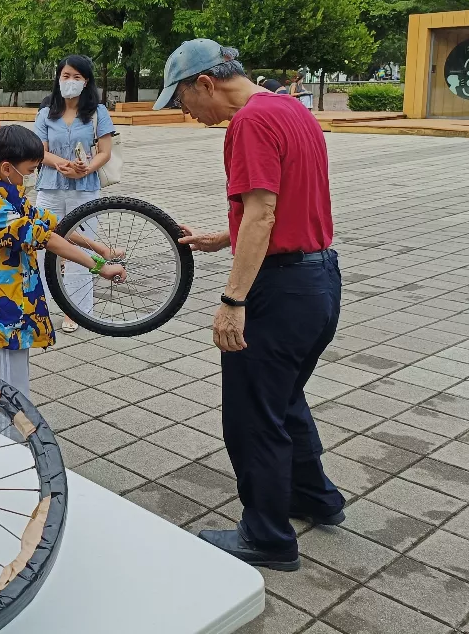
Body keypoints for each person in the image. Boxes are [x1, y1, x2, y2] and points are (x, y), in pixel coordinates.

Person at [153, 38, 345, 573]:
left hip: (279, 291)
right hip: (319, 279)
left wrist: (232, 300)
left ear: (206, 83)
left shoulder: (249, 124)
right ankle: (314, 497)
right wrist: (225, 237)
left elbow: (262, 213)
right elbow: (286, 204)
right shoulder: (287, 106)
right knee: (283, 401)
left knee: (252, 418)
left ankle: (267, 538)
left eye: (184, 100)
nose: (187, 114)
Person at [0, 126, 125, 408]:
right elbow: (45, 237)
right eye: (30, 169)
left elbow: (49, 223)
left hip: (12, 302)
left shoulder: (6, 190)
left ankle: (17, 435)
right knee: (6, 386)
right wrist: (97, 266)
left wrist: (98, 247)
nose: (32, 175)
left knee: (15, 383)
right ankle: (9, 439)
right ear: (6, 167)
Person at [32, 55, 120, 333]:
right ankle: (39, 306)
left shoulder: (97, 112)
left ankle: (77, 310)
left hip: (84, 188)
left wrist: (86, 168)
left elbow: (105, 152)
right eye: (66, 76)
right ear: (58, 78)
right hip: (50, 186)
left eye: (77, 77)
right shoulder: (46, 113)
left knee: (80, 249)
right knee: (42, 245)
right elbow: (39, 150)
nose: (70, 81)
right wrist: (58, 162)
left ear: (87, 81)